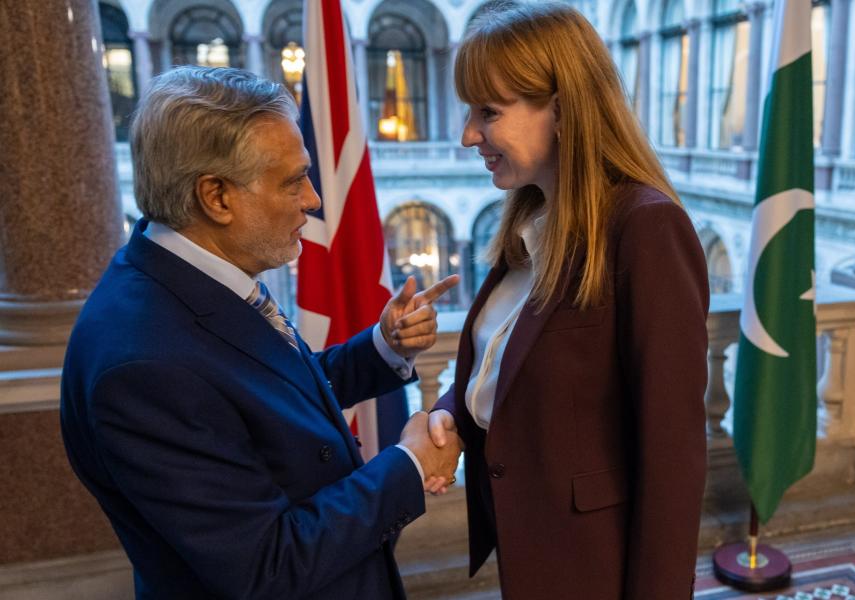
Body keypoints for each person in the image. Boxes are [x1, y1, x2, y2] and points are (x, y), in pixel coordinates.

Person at [60, 66, 460, 600]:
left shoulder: (184, 271)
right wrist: (408, 464)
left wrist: (382, 347)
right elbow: (267, 568)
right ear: (217, 197)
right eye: (293, 180)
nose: (314, 199)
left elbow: (265, 398)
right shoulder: (144, 367)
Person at [427, 4, 709, 599]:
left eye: (488, 112)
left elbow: (672, 454)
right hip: (531, 544)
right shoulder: (530, 218)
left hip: (597, 565)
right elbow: (513, 360)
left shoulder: (647, 229)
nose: (468, 135)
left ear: (560, 108)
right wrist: (450, 409)